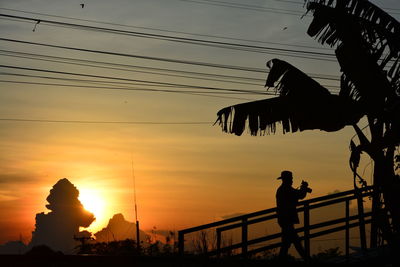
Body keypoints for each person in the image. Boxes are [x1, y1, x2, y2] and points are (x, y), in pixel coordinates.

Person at [276, 170, 311, 261]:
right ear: (287, 179)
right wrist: (304, 187)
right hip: (287, 219)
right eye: (291, 178)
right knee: (295, 242)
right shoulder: (286, 189)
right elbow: (300, 195)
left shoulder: (283, 189)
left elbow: (297, 194)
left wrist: (303, 189)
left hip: (284, 219)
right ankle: (307, 259)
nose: (292, 180)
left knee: (286, 243)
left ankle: (281, 260)